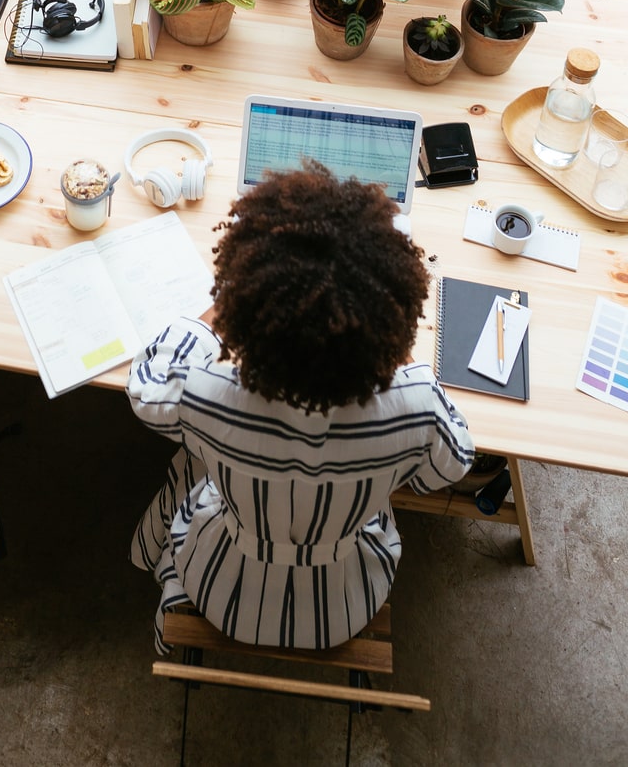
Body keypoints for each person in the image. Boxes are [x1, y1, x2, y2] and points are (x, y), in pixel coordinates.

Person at [128, 164, 475, 653]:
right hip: (347, 606)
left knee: (192, 460)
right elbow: (449, 466)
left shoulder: (209, 394)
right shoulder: (414, 406)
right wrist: (400, 351)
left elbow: (146, 392)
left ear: (252, 315)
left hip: (219, 588)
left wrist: (225, 305)